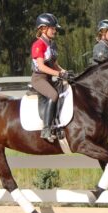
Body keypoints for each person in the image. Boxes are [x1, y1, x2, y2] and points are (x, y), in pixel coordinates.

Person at [31, 13, 71, 142]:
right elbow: (42, 67)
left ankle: (58, 124)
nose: (55, 31)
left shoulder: (52, 44)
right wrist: (59, 74)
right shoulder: (39, 45)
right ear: (43, 28)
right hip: (39, 79)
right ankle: (46, 129)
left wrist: (66, 72)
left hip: (48, 78)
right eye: (52, 28)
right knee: (53, 95)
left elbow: (55, 65)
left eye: (55, 28)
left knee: (65, 91)